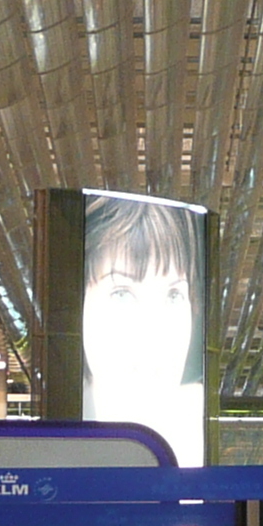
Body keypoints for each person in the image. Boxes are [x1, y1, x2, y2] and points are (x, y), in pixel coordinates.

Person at [79, 193, 206, 466]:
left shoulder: (204, 427)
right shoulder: (58, 438)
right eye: (122, 294)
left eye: (174, 295)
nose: (155, 330)